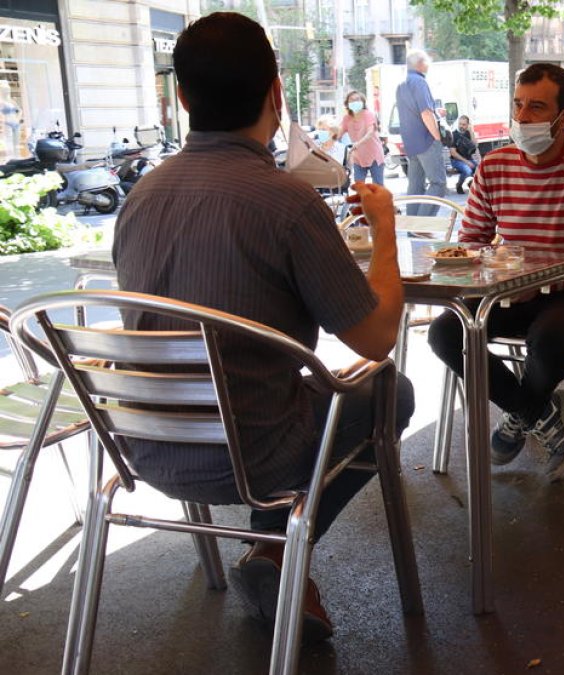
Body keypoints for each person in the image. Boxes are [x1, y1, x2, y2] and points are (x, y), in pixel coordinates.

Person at [112, 12, 409, 643]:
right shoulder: (286, 201)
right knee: (391, 389)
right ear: (276, 93)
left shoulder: (141, 195)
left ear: (182, 97)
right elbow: (377, 337)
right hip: (253, 458)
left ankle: (271, 556)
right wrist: (385, 231)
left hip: (144, 447)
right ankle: (277, 551)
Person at [428, 63, 564, 482]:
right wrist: (497, 278)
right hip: (508, 290)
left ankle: (520, 415)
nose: (521, 118)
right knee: (445, 332)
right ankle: (534, 410)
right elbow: (471, 243)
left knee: (549, 341)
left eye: (536, 107)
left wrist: (546, 280)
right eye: (518, 105)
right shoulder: (494, 165)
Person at [396, 49, 447, 215]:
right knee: (438, 183)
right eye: (427, 61)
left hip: (411, 143)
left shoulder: (402, 85)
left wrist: (435, 113)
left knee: (415, 186)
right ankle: (423, 227)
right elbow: (425, 113)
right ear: (420, 63)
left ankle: (413, 226)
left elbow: (413, 112)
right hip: (427, 140)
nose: (429, 64)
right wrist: (437, 137)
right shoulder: (419, 82)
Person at [340, 89, 386, 184]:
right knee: (359, 186)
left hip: (374, 155)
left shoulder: (368, 115)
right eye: (352, 100)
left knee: (378, 186)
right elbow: (339, 133)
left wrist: (358, 143)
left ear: (362, 102)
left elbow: (370, 132)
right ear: (347, 104)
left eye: (357, 99)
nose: (355, 102)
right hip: (358, 157)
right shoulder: (347, 119)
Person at [449, 114, 479, 194]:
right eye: (460, 124)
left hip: (468, 159)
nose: (461, 126)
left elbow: (474, 146)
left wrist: (471, 131)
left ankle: (471, 183)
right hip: (456, 160)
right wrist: (467, 162)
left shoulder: (468, 133)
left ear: (467, 125)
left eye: (464, 124)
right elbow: (453, 153)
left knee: (480, 169)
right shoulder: (454, 135)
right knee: (468, 170)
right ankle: (459, 185)